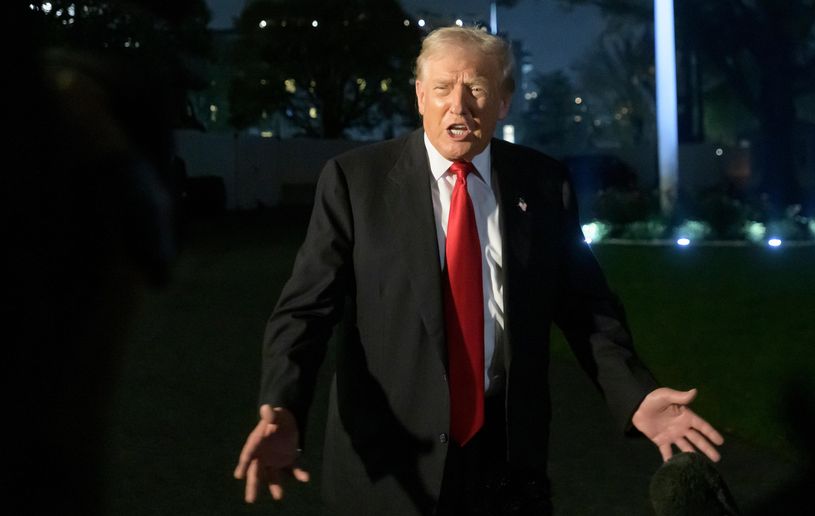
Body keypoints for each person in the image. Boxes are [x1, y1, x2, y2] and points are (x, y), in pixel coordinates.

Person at [234, 26, 723, 515]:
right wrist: (282, 404)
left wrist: (635, 395)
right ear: (420, 97)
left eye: (478, 89)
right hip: (391, 465)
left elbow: (585, 308)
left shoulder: (544, 183)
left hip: (506, 461)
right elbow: (305, 310)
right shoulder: (355, 181)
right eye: (443, 88)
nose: (459, 105)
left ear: (504, 102)